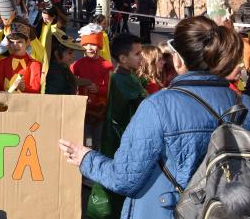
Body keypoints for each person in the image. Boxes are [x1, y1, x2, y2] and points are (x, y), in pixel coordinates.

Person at [59, 16, 250, 219]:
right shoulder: (243, 104)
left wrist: (86, 158)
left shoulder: (158, 106)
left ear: (177, 60)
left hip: (167, 210)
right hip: (228, 209)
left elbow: (125, 178)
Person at [88, 33, 145, 219]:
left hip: (117, 139)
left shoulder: (126, 77)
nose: (141, 58)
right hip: (119, 140)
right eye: (137, 54)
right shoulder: (123, 80)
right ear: (122, 58)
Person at [71, 23, 114, 149]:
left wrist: (99, 89)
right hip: (83, 109)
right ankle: (88, 156)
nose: (89, 48)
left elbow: (110, 89)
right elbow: (69, 78)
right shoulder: (78, 64)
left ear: (99, 46)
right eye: (86, 44)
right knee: (86, 139)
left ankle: (96, 158)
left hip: (101, 110)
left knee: (98, 139)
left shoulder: (107, 65)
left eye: (93, 44)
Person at [0, 17, 41, 93]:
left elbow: (36, 91)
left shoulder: (34, 65)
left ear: (27, 42)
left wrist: (24, 88)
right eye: (12, 42)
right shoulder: (2, 63)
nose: (15, 46)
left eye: (19, 42)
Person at [45, 29, 87, 95]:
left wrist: (87, 82)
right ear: (57, 54)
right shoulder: (55, 73)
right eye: (69, 53)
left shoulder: (61, 67)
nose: (73, 56)